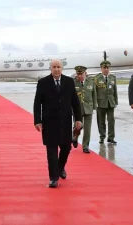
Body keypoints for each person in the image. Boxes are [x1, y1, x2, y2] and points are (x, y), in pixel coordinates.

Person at [33, 59, 82, 188]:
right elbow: (37, 103)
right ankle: (53, 178)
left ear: (62, 68)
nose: (56, 69)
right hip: (49, 123)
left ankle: (60, 168)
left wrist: (78, 119)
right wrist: (37, 121)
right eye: (54, 67)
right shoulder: (43, 83)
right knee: (51, 151)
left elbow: (75, 103)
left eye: (59, 67)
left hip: (65, 122)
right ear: (50, 68)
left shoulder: (69, 82)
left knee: (66, 148)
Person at [73, 65, 97, 153]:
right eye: (78, 74)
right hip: (77, 110)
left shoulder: (91, 82)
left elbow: (94, 95)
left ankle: (85, 146)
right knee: (77, 127)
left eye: (81, 74)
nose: (80, 76)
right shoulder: (73, 82)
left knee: (87, 129)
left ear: (85, 73)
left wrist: (94, 107)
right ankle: (75, 137)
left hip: (88, 108)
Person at [94, 60, 118, 144]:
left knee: (111, 121)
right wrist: (95, 103)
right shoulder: (96, 78)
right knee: (101, 121)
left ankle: (111, 137)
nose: (106, 69)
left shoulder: (113, 78)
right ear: (101, 68)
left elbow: (115, 91)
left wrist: (116, 102)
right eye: (104, 68)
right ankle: (102, 136)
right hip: (100, 103)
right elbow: (95, 92)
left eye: (107, 68)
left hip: (110, 102)